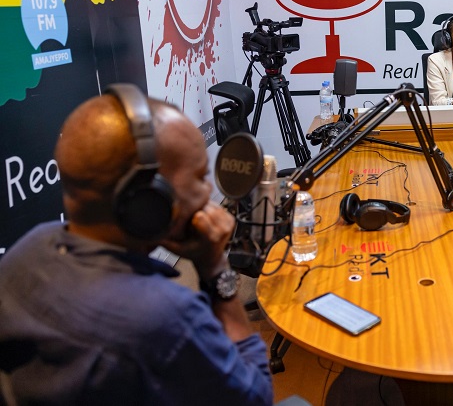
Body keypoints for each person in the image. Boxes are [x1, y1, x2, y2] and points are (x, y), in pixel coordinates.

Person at [0, 86, 275, 405]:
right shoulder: (164, 315)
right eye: (199, 177)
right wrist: (215, 269)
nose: (209, 191)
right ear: (149, 200)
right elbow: (255, 396)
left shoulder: (30, 248)